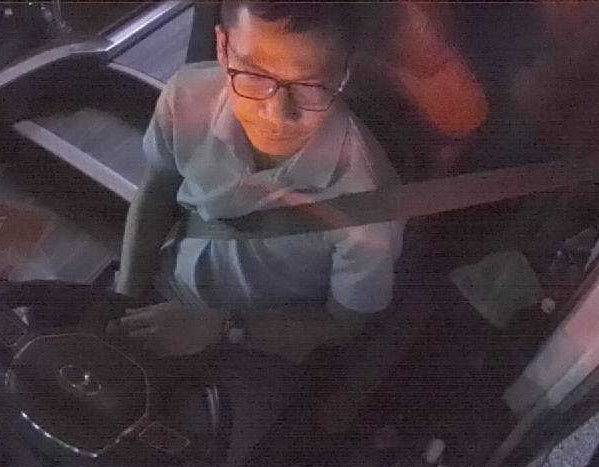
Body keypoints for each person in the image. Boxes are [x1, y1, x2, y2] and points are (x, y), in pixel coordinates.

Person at [112, 0, 405, 367]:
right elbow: (157, 189)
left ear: (345, 73)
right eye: (254, 74)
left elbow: (345, 322)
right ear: (222, 47)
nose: (276, 115)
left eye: (310, 85)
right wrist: (124, 296)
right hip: (160, 285)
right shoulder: (185, 97)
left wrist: (223, 329)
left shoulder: (367, 202)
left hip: (258, 342)